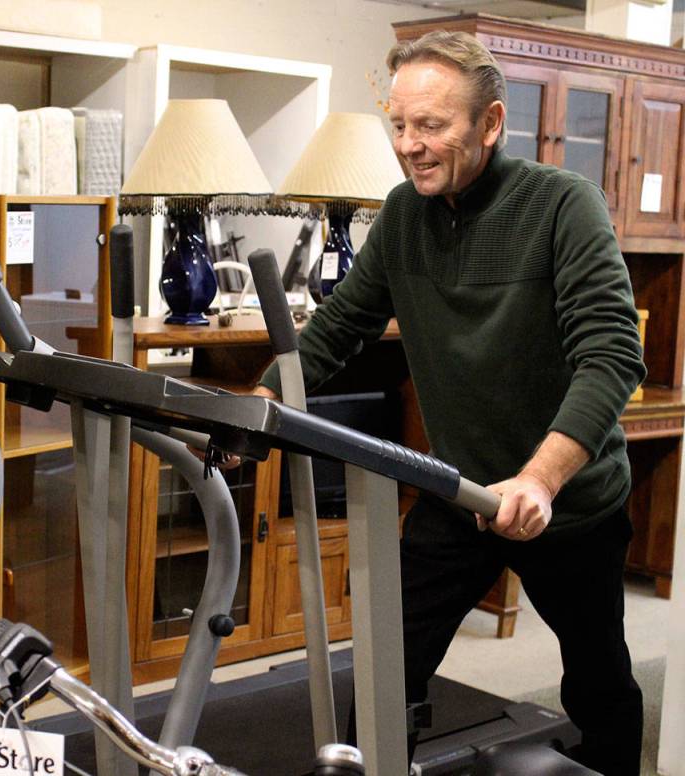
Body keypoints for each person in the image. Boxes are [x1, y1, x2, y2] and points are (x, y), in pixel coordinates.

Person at [256, 30, 646, 776]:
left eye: (431, 126)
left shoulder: (564, 205)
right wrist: (259, 404)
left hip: (567, 499)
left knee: (597, 680)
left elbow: (611, 357)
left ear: (491, 124)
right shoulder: (403, 215)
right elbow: (339, 328)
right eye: (399, 125)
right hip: (460, 491)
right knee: (385, 662)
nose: (410, 144)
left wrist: (540, 478)